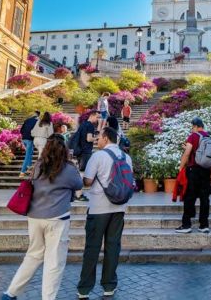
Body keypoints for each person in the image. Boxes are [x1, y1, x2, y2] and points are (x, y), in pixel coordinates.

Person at [2, 136, 83, 300]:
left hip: (35, 216)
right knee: (54, 261)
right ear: (64, 149)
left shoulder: (39, 165)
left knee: (33, 256)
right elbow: (79, 185)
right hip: (57, 218)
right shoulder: (68, 168)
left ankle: (11, 293)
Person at [77, 127, 133, 298]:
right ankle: (109, 285)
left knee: (92, 247)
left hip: (98, 208)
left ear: (107, 138)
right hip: (119, 208)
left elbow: (87, 182)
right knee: (113, 246)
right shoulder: (127, 157)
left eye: (99, 137)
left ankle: (84, 289)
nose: (97, 140)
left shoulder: (98, 156)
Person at [175, 117, 211, 234]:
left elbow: (187, 154)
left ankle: (186, 224)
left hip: (194, 170)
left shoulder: (193, 136)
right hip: (206, 171)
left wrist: (181, 167)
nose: (192, 129)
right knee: (204, 198)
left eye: (192, 127)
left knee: (189, 197)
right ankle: (204, 225)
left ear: (196, 126)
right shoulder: (209, 138)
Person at [19, 111, 40, 177]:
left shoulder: (27, 120)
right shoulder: (37, 121)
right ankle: (22, 172)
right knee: (27, 155)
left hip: (24, 139)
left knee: (30, 152)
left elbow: (21, 130)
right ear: (38, 116)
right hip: (30, 139)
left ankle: (29, 166)